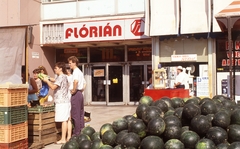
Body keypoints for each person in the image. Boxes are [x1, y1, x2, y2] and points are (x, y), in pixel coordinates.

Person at [42, 62, 72, 144]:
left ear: (60, 68)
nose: (54, 70)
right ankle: (67, 137)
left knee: (63, 120)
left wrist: (46, 81)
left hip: (61, 102)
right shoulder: (64, 76)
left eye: (56, 68)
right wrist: (48, 78)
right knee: (66, 119)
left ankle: (63, 138)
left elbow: (53, 87)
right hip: (66, 101)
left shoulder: (61, 77)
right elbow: (55, 80)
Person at [68, 56, 85, 136]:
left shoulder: (75, 72)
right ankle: (81, 129)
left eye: (70, 63)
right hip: (80, 93)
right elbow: (85, 83)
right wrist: (81, 90)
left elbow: (75, 81)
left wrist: (74, 90)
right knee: (81, 113)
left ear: (74, 63)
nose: (69, 65)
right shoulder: (80, 72)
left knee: (75, 114)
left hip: (76, 94)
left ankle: (76, 132)